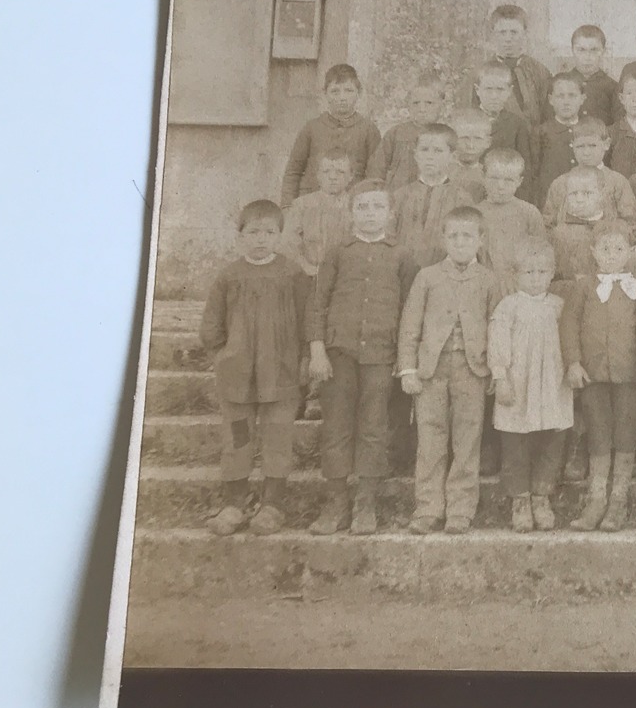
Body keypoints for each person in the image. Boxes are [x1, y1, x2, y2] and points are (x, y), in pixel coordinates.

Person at [306, 180, 418, 535]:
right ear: (350, 212)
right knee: (337, 426)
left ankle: (365, 503)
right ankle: (336, 502)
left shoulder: (402, 255)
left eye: (377, 208)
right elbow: (317, 303)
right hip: (339, 353)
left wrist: (404, 358)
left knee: (373, 426)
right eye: (362, 208)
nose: (370, 215)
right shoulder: (337, 252)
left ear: (390, 214)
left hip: (382, 357)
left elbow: (409, 311)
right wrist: (317, 350)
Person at [199, 200, 311, 536]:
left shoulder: (292, 274)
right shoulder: (229, 276)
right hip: (237, 382)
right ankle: (235, 503)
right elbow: (211, 327)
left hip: (281, 377)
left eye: (269, 232)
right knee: (239, 438)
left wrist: (303, 359)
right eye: (253, 232)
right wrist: (224, 357)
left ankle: (273, 505)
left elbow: (308, 322)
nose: (261, 239)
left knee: (277, 437)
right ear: (240, 236)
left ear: (280, 236)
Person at [397, 206, 499, 534]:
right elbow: (410, 325)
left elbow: (498, 327)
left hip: (472, 369)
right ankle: (428, 507)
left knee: (467, 439)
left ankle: (461, 508)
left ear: (480, 240)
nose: (459, 242)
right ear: (443, 238)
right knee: (430, 438)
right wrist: (408, 369)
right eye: (453, 236)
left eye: (467, 236)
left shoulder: (488, 279)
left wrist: (497, 370)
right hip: (431, 369)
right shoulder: (427, 277)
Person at [561, 219, 636, 532]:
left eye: (619, 249)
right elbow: (569, 324)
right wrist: (573, 363)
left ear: (630, 252)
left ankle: (618, 500)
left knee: (626, 430)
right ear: (594, 251)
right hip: (593, 373)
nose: (612, 255)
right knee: (597, 430)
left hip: (627, 374)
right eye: (605, 249)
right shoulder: (583, 286)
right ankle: (596, 499)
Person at [490, 238, 575, 532]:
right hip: (519, 381)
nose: (536, 278)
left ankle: (542, 495)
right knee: (516, 439)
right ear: (516, 275)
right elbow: (498, 344)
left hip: (552, 381)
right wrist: (500, 377)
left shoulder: (559, 306)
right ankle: (520, 499)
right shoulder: (508, 306)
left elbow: (570, 341)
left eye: (542, 272)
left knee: (552, 436)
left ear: (552, 273)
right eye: (529, 273)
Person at [281, 63, 381, 206]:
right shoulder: (311, 128)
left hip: (351, 205)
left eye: (348, 91)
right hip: (314, 204)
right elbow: (293, 171)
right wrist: (287, 206)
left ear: (359, 93)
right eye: (335, 91)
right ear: (325, 94)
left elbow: (374, 176)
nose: (342, 97)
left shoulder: (369, 130)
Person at [390, 124, 482, 269]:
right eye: (424, 150)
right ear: (415, 154)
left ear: (452, 156)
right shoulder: (399, 196)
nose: (430, 157)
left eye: (438, 151)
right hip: (401, 271)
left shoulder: (462, 199)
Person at [540, 118, 636, 227]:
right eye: (580, 146)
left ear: (606, 144)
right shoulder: (560, 183)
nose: (586, 153)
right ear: (572, 146)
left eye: (592, 146)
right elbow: (548, 223)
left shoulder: (618, 182)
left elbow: (630, 221)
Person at [282, 150, 355, 278]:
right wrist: (305, 266)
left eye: (340, 172)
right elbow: (288, 243)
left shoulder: (356, 206)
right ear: (318, 175)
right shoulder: (302, 205)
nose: (333, 177)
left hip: (346, 276)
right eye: (326, 172)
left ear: (351, 176)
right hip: (309, 274)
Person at [366, 76, 447, 191]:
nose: (422, 109)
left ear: (441, 105)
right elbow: (377, 168)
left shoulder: (447, 135)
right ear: (408, 105)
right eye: (416, 103)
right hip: (398, 195)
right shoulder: (396, 133)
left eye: (429, 103)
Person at [474, 149, 545, 275]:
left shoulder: (529, 213)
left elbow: (540, 253)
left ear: (519, 181)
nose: (500, 186)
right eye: (494, 178)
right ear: (483, 176)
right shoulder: (475, 213)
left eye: (509, 180)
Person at [483, 4, 554, 125]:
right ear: (493, 34)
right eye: (502, 32)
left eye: (514, 32)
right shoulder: (482, 72)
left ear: (525, 33)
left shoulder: (540, 71)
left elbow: (549, 116)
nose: (508, 39)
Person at [470, 60, 535, 192]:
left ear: (509, 91)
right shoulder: (467, 121)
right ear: (477, 90)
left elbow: (525, 170)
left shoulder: (517, 124)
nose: (494, 96)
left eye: (500, 90)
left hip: (504, 192)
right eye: (488, 89)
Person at [531, 72, 588, 205]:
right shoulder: (540, 132)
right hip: (552, 201)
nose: (566, 102)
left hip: (583, 200)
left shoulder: (590, 130)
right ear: (551, 100)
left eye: (572, 96)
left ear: (582, 98)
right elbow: (534, 174)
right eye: (560, 96)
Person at [548, 166, 607, 280]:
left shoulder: (613, 226)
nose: (579, 200)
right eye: (574, 194)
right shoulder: (559, 234)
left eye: (587, 193)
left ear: (602, 194)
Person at [567, 24, 621, 125]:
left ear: (603, 51)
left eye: (594, 50)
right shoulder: (561, 84)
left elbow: (617, 127)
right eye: (581, 50)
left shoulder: (613, 88)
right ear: (572, 50)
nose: (587, 57)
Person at [447, 108, 493, 199]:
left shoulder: (490, 176)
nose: (470, 146)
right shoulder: (442, 171)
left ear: (488, 142)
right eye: (464, 138)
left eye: (478, 139)